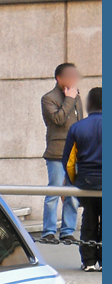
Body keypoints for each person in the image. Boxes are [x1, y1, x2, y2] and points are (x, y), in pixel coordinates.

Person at [40, 62, 85, 244]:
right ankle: (48, 231)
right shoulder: (48, 98)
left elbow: (80, 123)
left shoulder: (76, 97)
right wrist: (69, 99)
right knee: (54, 191)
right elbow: (58, 119)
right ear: (59, 78)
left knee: (73, 194)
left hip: (76, 152)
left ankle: (68, 231)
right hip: (57, 152)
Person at [63, 87, 102, 271]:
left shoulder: (77, 128)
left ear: (89, 105)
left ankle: (88, 262)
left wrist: (74, 182)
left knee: (89, 220)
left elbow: (69, 162)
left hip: (86, 182)